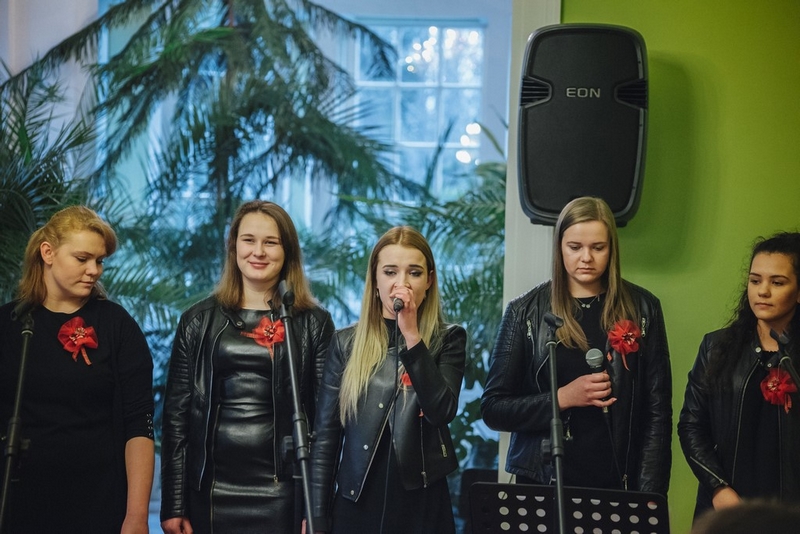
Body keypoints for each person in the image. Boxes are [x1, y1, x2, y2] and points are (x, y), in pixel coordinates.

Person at [160, 200, 334, 534]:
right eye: (249, 240)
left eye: (271, 242)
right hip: (212, 491)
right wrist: (174, 503)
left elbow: (327, 424)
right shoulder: (197, 321)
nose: (258, 252)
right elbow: (176, 419)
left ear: (287, 251)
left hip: (285, 492)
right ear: (233, 246)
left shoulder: (314, 323)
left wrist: (317, 509)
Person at [481, 196, 672, 496]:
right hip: (542, 485)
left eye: (598, 247)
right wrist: (562, 398)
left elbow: (657, 414)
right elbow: (493, 409)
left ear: (612, 249)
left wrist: (650, 496)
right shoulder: (524, 312)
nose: (586, 258)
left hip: (618, 484)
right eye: (575, 247)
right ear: (559, 247)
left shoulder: (643, 308)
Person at [0, 205, 155, 533]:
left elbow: (139, 424)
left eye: (100, 261)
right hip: (17, 502)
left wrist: (137, 516)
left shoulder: (118, 326)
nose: (94, 270)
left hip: (99, 501)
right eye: (82, 259)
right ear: (48, 253)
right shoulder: (10, 324)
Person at [309, 226, 467, 534]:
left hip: (421, 504)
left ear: (429, 281)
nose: (401, 283)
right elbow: (326, 437)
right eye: (391, 272)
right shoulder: (346, 343)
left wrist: (412, 336)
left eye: (414, 273)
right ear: (375, 279)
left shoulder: (448, 339)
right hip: (356, 503)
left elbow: (441, 411)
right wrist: (315, 515)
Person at [678, 231, 800, 520]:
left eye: (777, 282)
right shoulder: (716, 347)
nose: (763, 291)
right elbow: (691, 426)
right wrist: (719, 489)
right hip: (725, 508)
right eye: (755, 280)